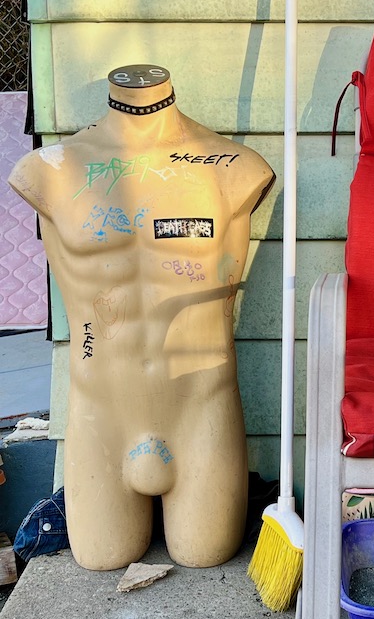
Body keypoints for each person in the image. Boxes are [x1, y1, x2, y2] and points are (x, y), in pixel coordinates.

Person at [8, 64, 275, 570]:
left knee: (206, 553)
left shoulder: (230, 166)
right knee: (101, 558)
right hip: (101, 416)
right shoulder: (52, 170)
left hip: (202, 410)